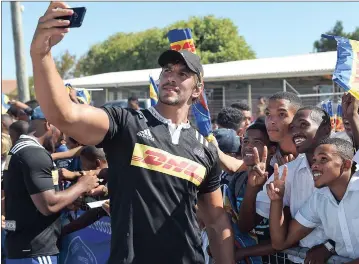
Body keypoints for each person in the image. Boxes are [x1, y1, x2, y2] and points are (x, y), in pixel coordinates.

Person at [30, 3, 233, 263]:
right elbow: (64, 115)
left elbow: (217, 221)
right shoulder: (127, 124)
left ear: (197, 89)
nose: (172, 77)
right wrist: (42, 53)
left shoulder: (204, 150)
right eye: (167, 71)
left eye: (183, 74)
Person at [268, 138, 359, 263]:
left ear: (346, 165)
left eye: (323, 159)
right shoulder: (319, 198)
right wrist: (277, 200)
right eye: (314, 160)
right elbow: (280, 243)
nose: (314, 165)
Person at [2, 106, 99, 263]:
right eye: (61, 129)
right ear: (48, 124)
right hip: (36, 250)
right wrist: (82, 185)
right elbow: (48, 206)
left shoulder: (18, 149)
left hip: (23, 248)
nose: (62, 137)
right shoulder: (34, 153)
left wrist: (68, 200)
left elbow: (23, 199)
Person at [241, 107, 333, 264]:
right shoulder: (284, 172)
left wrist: (330, 247)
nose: (296, 132)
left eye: (303, 125)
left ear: (325, 129)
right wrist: (271, 197)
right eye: (293, 128)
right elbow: (252, 228)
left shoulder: (347, 169)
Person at [223, 123, 276, 263]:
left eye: (257, 142)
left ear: (272, 150)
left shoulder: (278, 179)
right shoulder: (238, 180)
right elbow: (238, 226)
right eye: (245, 141)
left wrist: (242, 252)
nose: (248, 146)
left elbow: (283, 239)